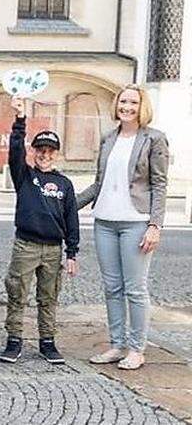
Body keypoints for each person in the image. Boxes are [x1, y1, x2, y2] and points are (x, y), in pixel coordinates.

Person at [78, 85, 169, 371]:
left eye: (132, 102)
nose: (126, 106)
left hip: (136, 222)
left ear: (142, 106)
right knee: (112, 287)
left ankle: (137, 349)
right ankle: (117, 344)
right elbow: (98, 183)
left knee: (135, 289)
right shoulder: (108, 138)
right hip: (104, 220)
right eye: (122, 101)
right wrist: (65, 205)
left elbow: (159, 184)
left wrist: (155, 225)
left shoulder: (154, 139)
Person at [0, 96, 78, 365]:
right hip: (26, 245)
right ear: (33, 152)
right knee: (17, 292)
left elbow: (72, 219)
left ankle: (47, 341)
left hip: (53, 249)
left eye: (50, 151)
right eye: (40, 150)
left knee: (48, 296)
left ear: (57, 154)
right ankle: (14, 340)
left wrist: (72, 252)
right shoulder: (24, 175)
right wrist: (20, 119)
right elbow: (14, 151)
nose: (44, 155)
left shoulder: (64, 184)